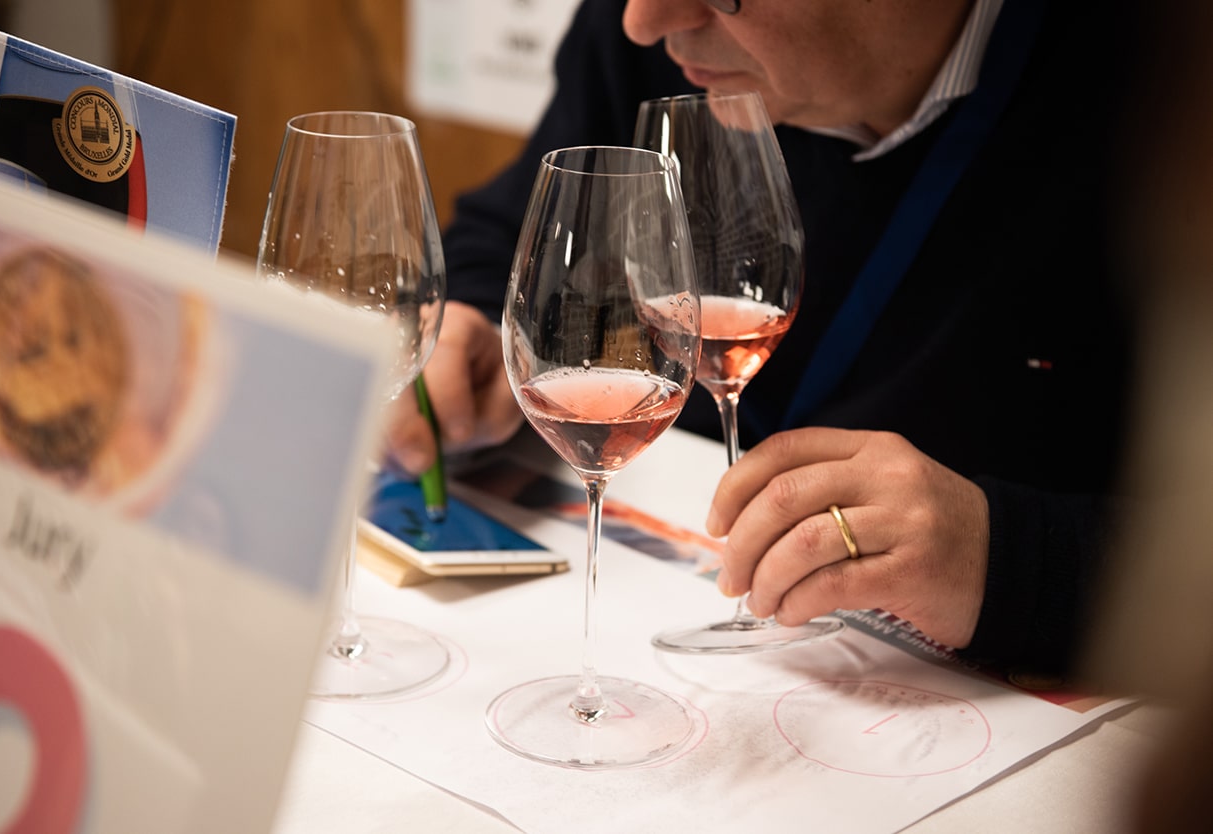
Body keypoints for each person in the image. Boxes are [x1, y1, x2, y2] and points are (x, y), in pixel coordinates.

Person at [386, 0, 1141, 676]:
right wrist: (473, 323)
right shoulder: (661, 35)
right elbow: (513, 229)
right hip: (677, 609)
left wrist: (1004, 558)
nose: (642, 22)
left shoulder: (1163, 88)